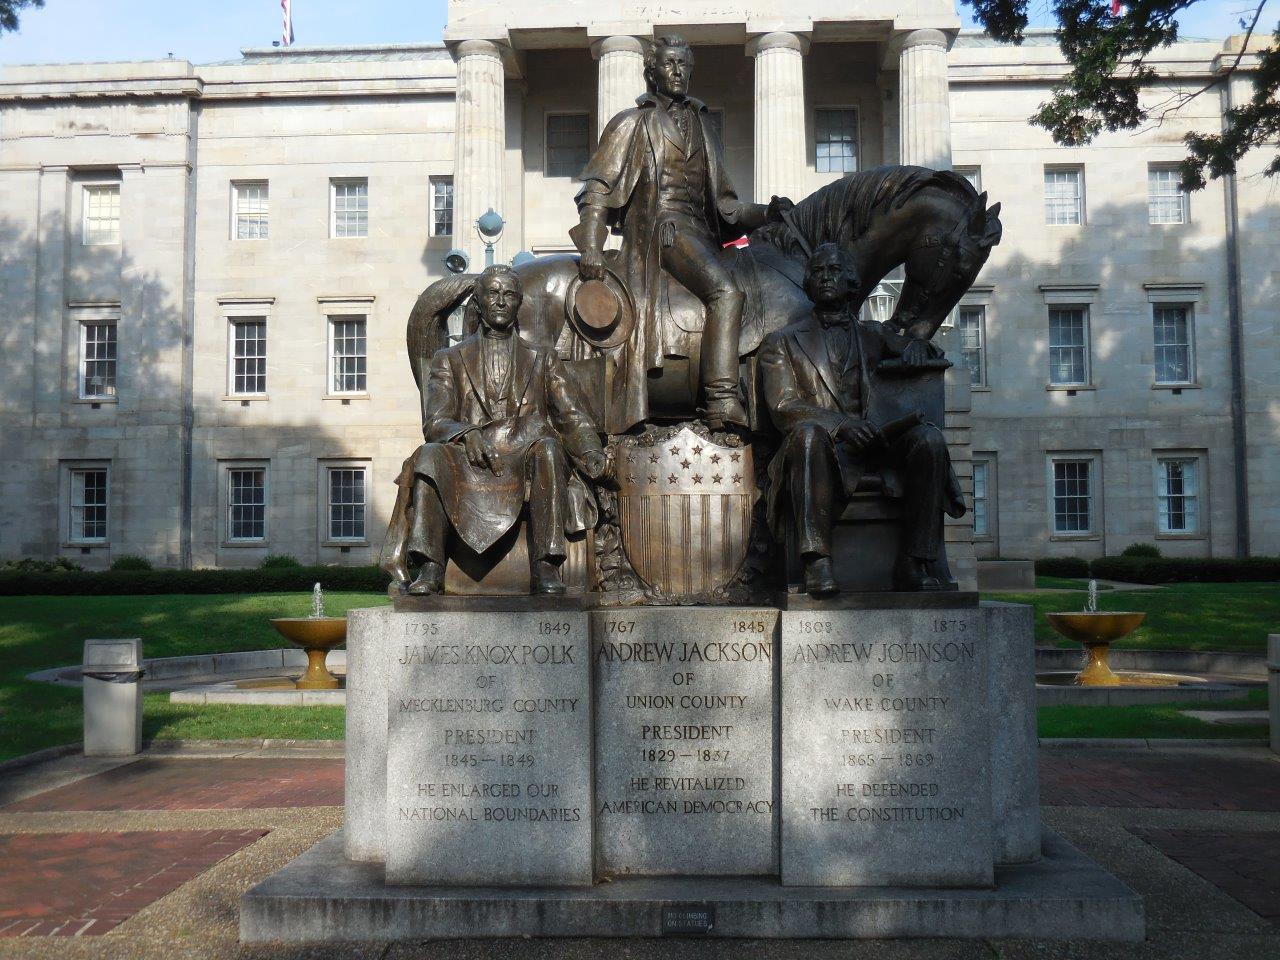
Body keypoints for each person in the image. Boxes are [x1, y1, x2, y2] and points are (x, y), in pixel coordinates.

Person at [572, 33, 792, 432]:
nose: (679, 72)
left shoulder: (705, 126)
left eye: (685, 66)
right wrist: (591, 245)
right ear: (651, 72)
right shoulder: (631, 122)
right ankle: (722, 397)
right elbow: (597, 187)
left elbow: (727, 206)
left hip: (702, 233)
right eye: (670, 64)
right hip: (663, 231)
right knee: (726, 292)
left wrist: (769, 213)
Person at [380, 265, 607, 595]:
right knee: (429, 455)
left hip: (525, 452)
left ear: (518, 304)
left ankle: (546, 565)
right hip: (471, 456)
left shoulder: (543, 358)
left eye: (509, 295)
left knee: (548, 447)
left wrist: (591, 452)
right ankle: (431, 567)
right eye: (493, 293)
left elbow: (573, 416)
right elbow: (436, 420)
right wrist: (466, 433)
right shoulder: (449, 358)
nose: (501, 301)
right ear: (478, 301)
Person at [759, 244, 966, 595]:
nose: (826, 277)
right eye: (819, 271)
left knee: (928, 441)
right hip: (821, 448)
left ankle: (915, 561)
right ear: (809, 283)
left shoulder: (873, 334)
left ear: (852, 283)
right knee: (808, 435)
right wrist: (840, 425)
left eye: (835, 270)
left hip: (875, 445)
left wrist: (918, 347)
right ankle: (817, 561)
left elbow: (918, 346)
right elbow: (783, 405)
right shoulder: (782, 342)